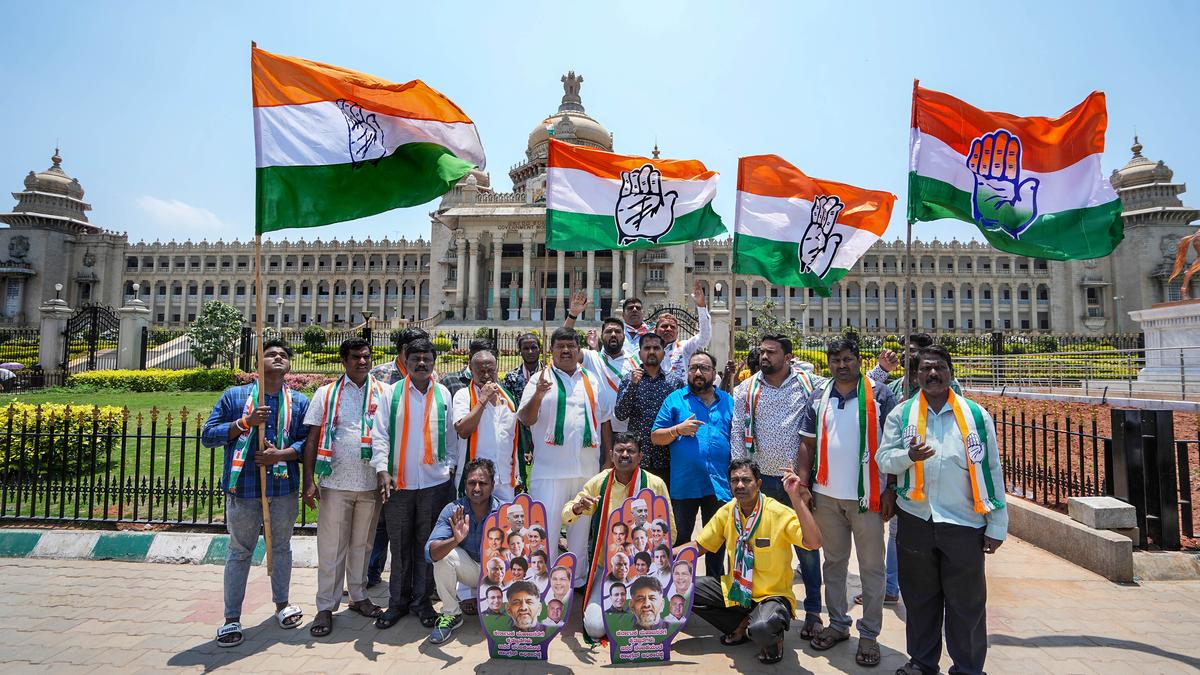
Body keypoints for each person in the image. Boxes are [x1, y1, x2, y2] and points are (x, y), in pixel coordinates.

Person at [876, 346, 1007, 675]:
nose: (932, 374)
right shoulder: (902, 415)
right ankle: (922, 662)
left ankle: (968, 667)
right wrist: (909, 457)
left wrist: (997, 525)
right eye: (925, 370)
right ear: (916, 375)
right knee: (920, 600)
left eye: (939, 368)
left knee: (967, 605)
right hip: (916, 519)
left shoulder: (975, 416)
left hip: (963, 522)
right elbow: (883, 459)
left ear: (950, 372)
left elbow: (992, 469)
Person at [795, 338, 897, 668]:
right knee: (834, 564)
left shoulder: (880, 395)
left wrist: (891, 490)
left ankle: (869, 634)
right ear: (829, 363)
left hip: (868, 498)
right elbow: (807, 445)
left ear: (859, 361)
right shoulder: (818, 396)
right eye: (836, 359)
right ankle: (838, 624)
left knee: (871, 568)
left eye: (848, 359)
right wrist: (804, 485)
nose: (842, 365)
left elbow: (894, 446)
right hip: (826, 497)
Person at [203, 339, 310, 648]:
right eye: (271, 354)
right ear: (258, 362)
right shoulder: (234, 397)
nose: (278, 358)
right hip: (245, 489)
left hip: (283, 489)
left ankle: (282, 604)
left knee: (281, 549)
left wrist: (282, 454)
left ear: (289, 364)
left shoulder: (299, 402)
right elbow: (209, 436)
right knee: (240, 552)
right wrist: (244, 423)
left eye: (283, 355)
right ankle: (231, 618)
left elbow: (307, 444)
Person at [729, 333, 824, 639]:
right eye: (762, 351)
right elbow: (736, 431)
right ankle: (755, 611)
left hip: (796, 483)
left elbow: (846, 388)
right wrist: (742, 477)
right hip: (761, 484)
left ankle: (812, 612)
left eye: (771, 352)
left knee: (807, 549)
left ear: (788, 356)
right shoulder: (746, 388)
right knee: (756, 547)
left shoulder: (810, 386)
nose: (764, 356)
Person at [683, 459, 822, 666]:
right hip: (737, 590)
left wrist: (796, 498)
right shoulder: (728, 511)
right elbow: (699, 547)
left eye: (746, 480)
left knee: (762, 629)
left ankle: (772, 640)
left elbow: (814, 542)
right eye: (735, 480)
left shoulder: (777, 513)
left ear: (758, 484)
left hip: (772, 596)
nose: (740, 485)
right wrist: (658, 556)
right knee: (683, 588)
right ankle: (741, 623)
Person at [858, 333, 960, 607]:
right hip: (905, 479)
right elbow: (866, 389)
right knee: (896, 534)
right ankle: (891, 585)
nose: (909, 356)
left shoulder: (952, 390)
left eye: (915, 352)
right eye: (906, 352)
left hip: (942, 483)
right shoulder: (895, 388)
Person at [302, 338, 389, 638]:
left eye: (366, 357)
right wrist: (308, 481)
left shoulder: (384, 392)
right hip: (335, 483)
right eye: (356, 357)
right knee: (332, 547)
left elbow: (390, 435)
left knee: (362, 545)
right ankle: (326, 605)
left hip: (369, 483)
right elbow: (312, 440)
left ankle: (359, 595)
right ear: (344, 360)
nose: (362, 362)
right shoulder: (326, 394)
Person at [370, 338, 457, 631]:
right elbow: (380, 434)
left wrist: (451, 467)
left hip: (435, 483)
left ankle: (421, 602)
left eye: (427, 359)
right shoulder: (391, 393)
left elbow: (452, 437)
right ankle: (397, 603)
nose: (422, 363)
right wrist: (382, 469)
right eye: (416, 358)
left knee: (426, 545)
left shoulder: (443, 393)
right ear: (405, 361)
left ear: (434, 363)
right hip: (398, 483)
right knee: (400, 544)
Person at [518, 327, 614, 574]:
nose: (566, 350)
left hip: (587, 471)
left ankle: (577, 580)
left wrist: (608, 458)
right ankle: (543, 581)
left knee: (580, 534)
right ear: (551, 350)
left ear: (579, 350)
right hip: (550, 471)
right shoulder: (539, 379)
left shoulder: (591, 380)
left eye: (571, 346)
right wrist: (539, 394)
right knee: (544, 531)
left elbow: (604, 419)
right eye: (560, 346)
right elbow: (526, 420)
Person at [563, 433, 675, 641]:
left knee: (653, 622)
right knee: (596, 629)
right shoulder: (600, 482)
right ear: (611, 455)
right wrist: (579, 507)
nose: (625, 455)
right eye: (620, 451)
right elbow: (566, 514)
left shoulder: (655, 484)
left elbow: (671, 533)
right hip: (607, 568)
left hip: (644, 569)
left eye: (630, 451)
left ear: (640, 456)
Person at [651, 350, 734, 578]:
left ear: (713, 373)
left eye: (704, 368)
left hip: (718, 486)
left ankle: (713, 596)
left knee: (716, 543)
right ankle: (678, 593)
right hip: (684, 485)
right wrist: (678, 429)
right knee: (680, 541)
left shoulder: (728, 402)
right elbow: (656, 436)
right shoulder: (675, 400)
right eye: (693, 368)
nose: (698, 372)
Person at [366, 326, 431, 588]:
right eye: (414, 353)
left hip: (416, 465)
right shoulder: (380, 375)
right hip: (386, 461)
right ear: (403, 352)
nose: (420, 359)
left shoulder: (429, 377)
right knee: (381, 522)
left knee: (413, 526)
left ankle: (417, 581)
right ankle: (371, 572)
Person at [425, 458, 503, 644]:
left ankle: (506, 611)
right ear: (465, 485)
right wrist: (455, 540)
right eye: (471, 483)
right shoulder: (453, 510)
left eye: (483, 483)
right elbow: (431, 553)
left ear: (492, 485)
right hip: (472, 571)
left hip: (500, 575)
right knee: (444, 556)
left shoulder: (504, 511)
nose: (476, 488)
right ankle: (451, 614)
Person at [454, 349, 519, 501]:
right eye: (481, 371)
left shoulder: (508, 399)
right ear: (471, 370)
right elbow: (463, 430)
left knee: (503, 524)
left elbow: (512, 440)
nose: (486, 375)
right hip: (476, 481)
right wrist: (482, 400)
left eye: (491, 370)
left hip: (504, 481)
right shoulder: (463, 396)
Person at [615, 333, 680, 486]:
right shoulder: (628, 379)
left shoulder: (674, 383)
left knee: (662, 505)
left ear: (663, 353)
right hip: (637, 458)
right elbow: (620, 414)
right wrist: (633, 385)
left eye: (656, 348)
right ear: (640, 353)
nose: (651, 352)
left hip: (666, 458)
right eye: (647, 348)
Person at [580, 316, 639, 435]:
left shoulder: (636, 362)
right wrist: (573, 315)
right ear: (602, 336)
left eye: (617, 331)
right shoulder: (592, 357)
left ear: (624, 336)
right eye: (608, 331)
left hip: (628, 432)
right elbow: (565, 344)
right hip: (598, 431)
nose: (613, 334)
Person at [657, 281, 712, 382]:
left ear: (677, 333)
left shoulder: (684, 348)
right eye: (664, 326)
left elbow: (704, 339)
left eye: (673, 327)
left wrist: (701, 307)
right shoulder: (649, 350)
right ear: (655, 330)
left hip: (681, 396)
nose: (669, 329)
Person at [502, 332, 542, 401]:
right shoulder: (511, 377)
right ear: (520, 351)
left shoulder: (550, 374)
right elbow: (507, 403)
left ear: (540, 350)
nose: (530, 352)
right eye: (526, 348)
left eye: (533, 348)